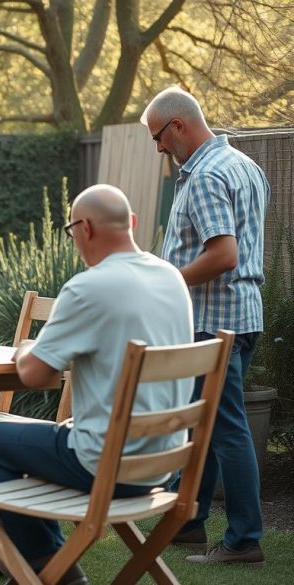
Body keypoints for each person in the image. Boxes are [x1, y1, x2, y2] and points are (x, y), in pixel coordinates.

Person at [0, 185, 194, 585]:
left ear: (83, 228)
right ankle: (51, 566)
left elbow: (35, 375)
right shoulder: (171, 277)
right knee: (42, 441)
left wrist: (27, 348)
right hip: (167, 465)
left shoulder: (88, 288)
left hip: (106, 468)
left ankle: (50, 567)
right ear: (133, 224)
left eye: (71, 233)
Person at [141, 87, 269, 566]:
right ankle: (189, 522)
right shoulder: (245, 166)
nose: (158, 148)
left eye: (158, 136)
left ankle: (244, 539)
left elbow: (224, 255)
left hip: (213, 322)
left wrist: (163, 280)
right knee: (206, 427)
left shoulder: (207, 175)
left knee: (226, 428)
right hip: (243, 315)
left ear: (179, 125)